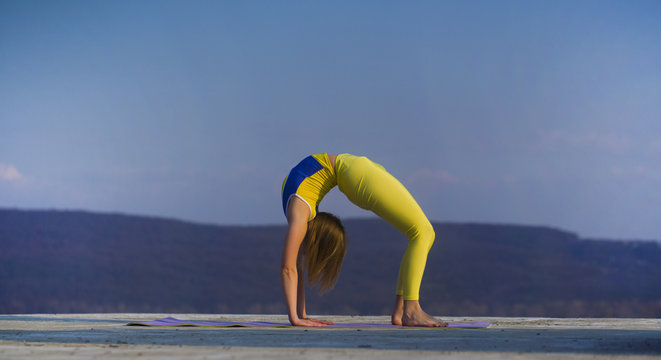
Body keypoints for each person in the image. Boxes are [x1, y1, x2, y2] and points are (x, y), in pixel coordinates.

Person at [280, 153, 446, 327]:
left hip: (356, 173)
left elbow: (287, 268)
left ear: (315, 242)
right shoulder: (297, 211)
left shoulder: (299, 216)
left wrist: (295, 319)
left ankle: (410, 310)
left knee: (423, 233)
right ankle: (402, 311)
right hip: (354, 167)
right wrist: (301, 315)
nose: (305, 254)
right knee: (421, 234)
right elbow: (294, 268)